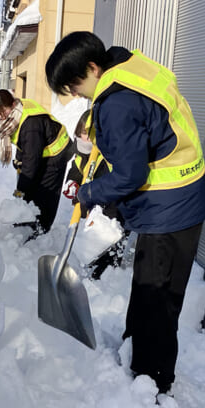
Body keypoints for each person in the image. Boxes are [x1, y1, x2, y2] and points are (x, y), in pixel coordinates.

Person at [45, 31, 205, 396]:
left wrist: (90, 192)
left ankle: (151, 383)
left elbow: (130, 174)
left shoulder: (118, 103)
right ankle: (135, 351)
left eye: (74, 84)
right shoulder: (128, 67)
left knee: (158, 299)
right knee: (147, 288)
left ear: (92, 66)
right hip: (176, 200)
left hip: (170, 210)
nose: (75, 94)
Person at [0, 89, 72, 240]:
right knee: (32, 186)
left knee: (45, 191)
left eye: (3, 111)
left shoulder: (31, 125)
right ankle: (29, 220)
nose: (0, 116)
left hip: (57, 152)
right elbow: (24, 144)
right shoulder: (15, 116)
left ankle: (41, 230)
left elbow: (31, 162)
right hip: (41, 148)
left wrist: (21, 191)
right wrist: (18, 159)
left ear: (12, 104)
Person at [63, 109, 130, 280]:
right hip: (93, 209)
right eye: (81, 134)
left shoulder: (107, 158)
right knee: (94, 244)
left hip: (113, 210)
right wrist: (72, 183)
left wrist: (89, 194)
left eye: (87, 135)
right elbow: (76, 171)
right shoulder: (80, 153)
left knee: (109, 244)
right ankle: (93, 272)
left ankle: (109, 277)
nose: (84, 139)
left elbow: (110, 186)